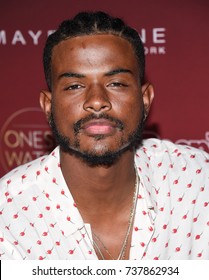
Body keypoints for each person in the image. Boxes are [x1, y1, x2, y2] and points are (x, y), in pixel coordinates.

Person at [0, 11, 209, 260]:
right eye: (75, 86)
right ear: (48, 105)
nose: (97, 101)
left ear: (145, 99)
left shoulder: (198, 184)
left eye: (116, 83)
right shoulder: (8, 217)